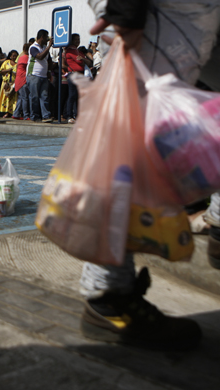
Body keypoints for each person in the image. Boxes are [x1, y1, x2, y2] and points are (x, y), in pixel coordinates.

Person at [79, 0, 220, 351]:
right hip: (160, 14)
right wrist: (124, 8)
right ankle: (109, 295)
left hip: (192, 14)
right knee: (130, 144)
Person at [63, 33, 92, 124]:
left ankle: (77, 115)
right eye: (76, 39)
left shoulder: (78, 51)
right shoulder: (71, 50)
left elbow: (89, 62)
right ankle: (69, 116)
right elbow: (79, 61)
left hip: (80, 75)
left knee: (78, 96)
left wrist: (84, 60)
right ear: (71, 40)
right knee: (72, 95)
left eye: (78, 39)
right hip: (73, 75)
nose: (78, 41)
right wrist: (83, 60)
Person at [27, 29, 54, 123]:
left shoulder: (44, 48)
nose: (47, 39)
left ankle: (46, 116)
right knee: (34, 96)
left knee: (44, 96)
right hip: (34, 75)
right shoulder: (33, 47)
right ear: (42, 37)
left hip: (43, 76)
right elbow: (40, 56)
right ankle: (35, 116)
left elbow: (48, 60)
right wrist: (49, 46)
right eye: (46, 37)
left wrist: (49, 71)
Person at [0, 50, 18, 118]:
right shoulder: (6, 62)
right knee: (6, 98)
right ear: (10, 56)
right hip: (6, 83)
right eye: (13, 55)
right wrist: (8, 71)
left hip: (13, 83)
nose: (14, 57)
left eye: (16, 55)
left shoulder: (17, 64)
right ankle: (6, 112)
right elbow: (1, 71)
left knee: (13, 98)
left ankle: (12, 112)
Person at [12, 44, 31, 120]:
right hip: (23, 79)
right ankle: (26, 115)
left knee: (20, 98)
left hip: (18, 79)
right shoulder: (26, 58)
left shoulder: (20, 57)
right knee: (25, 98)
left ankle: (16, 113)